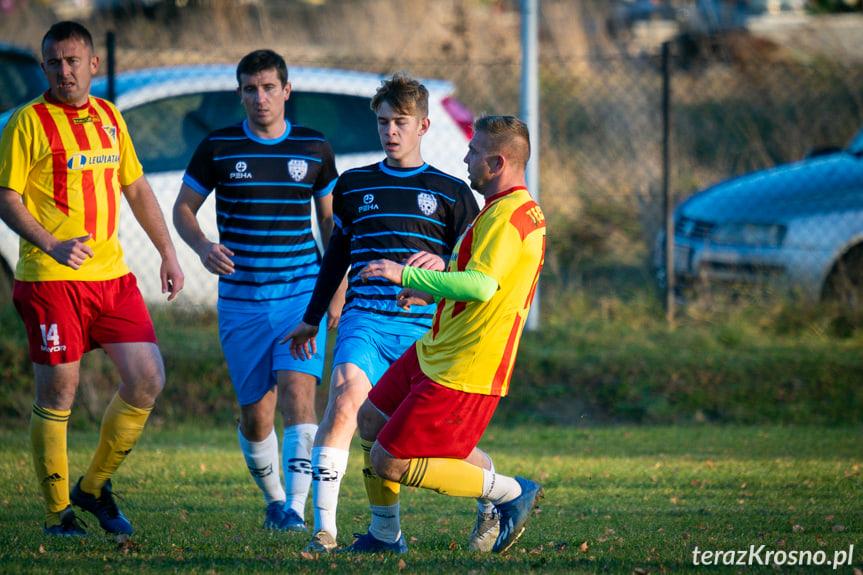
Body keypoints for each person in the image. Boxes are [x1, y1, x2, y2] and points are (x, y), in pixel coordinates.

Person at [282, 71, 480, 554]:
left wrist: (444, 265)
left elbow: (476, 270)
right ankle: (325, 530)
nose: (390, 131)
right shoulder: (353, 185)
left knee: (431, 439)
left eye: (400, 122)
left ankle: (500, 494)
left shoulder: (452, 192)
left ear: (424, 127)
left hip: (425, 332)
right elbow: (336, 256)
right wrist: (313, 314)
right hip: (364, 320)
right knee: (346, 401)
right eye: (384, 122)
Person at [0, 21, 184, 537]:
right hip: (49, 280)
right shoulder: (26, 123)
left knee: (148, 376)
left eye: (73, 60)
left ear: (92, 65)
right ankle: (59, 513)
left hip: (112, 277)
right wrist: (52, 243)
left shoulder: (109, 117)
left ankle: (94, 485)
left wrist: (168, 252)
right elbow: (5, 197)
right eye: (54, 63)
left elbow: (137, 186)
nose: (64, 71)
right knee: (61, 388)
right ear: (44, 68)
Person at [354, 114, 546, 554]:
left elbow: (481, 286)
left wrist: (407, 276)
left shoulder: (507, 217)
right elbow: (481, 284)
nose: (465, 157)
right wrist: (434, 298)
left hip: (465, 367)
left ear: (497, 162)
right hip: (436, 350)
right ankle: (384, 538)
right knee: (370, 420)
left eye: (474, 151)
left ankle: (510, 493)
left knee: (389, 460)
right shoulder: (502, 209)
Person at [172, 49, 342, 533]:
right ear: (240, 93)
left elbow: (330, 223)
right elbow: (183, 208)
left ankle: (298, 509)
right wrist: (203, 246)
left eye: (269, 88)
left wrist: (336, 289)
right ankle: (275, 500)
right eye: (250, 88)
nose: (260, 98)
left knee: (298, 396)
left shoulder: (313, 148)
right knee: (256, 415)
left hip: (299, 294)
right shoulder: (219, 147)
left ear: (287, 91)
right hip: (242, 303)